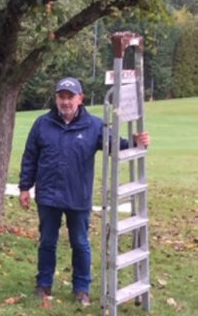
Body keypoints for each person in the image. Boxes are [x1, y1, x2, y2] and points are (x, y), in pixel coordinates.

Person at [19, 76, 150, 306]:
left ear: (80, 99)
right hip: (48, 196)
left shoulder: (94, 126)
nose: (65, 102)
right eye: (61, 97)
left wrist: (136, 142)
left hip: (77, 197)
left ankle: (81, 288)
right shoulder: (42, 124)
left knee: (80, 243)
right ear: (56, 98)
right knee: (47, 242)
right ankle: (44, 284)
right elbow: (30, 157)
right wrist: (24, 188)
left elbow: (115, 146)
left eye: (70, 97)